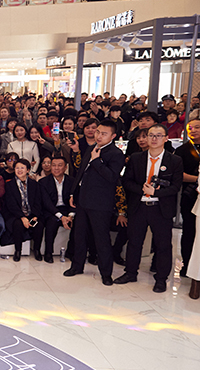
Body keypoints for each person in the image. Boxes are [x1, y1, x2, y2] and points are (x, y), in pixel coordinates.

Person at [115, 124, 183, 293]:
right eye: (151, 135)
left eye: (158, 135)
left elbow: (176, 187)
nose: (154, 139)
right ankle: (130, 273)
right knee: (134, 242)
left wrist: (156, 193)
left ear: (166, 138)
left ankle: (161, 279)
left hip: (161, 208)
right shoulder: (136, 158)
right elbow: (126, 181)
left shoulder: (174, 160)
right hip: (139, 206)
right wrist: (142, 190)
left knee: (163, 245)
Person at [64, 120, 126, 285]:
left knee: (101, 239)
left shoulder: (116, 154)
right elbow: (81, 172)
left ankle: (106, 273)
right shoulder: (92, 148)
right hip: (83, 199)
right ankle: (77, 266)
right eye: (98, 132)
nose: (98, 135)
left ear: (113, 136)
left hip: (100, 203)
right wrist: (73, 192)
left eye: (103, 133)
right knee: (79, 236)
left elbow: (112, 177)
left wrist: (97, 161)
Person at [3, 159, 45, 262]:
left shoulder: (34, 184)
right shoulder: (9, 185)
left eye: (22, 168)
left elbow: (38, 202)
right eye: (17, 168)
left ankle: (37, 250)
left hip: (31, 213)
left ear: (28, 170)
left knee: (39, 225)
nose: (19, 170)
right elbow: (11, 204)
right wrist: (22, 217)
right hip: (15, 214)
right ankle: (18, 251)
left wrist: (35, 216)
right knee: (18, 224)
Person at [175, 118, 200, 277]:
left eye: (197, 127)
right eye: (190, 128)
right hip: (190, 195)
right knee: (189, 231)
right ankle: (186, 265)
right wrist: (198, 179)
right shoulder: (182, 150)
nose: (193, 130)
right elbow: (178, 175)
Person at [39, 156, 75, 263]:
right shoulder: (43, 182)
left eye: (60, 165)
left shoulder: (72, 181)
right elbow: (47, 203)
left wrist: (70, 216)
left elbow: (75, 201)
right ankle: (48, 252)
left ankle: (71, 252)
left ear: (65, 167)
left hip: (67, 209)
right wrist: (61, 217)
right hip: (51, 211)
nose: (56, 168)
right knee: (52, 223)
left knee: (79, 224)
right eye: (54, 165)